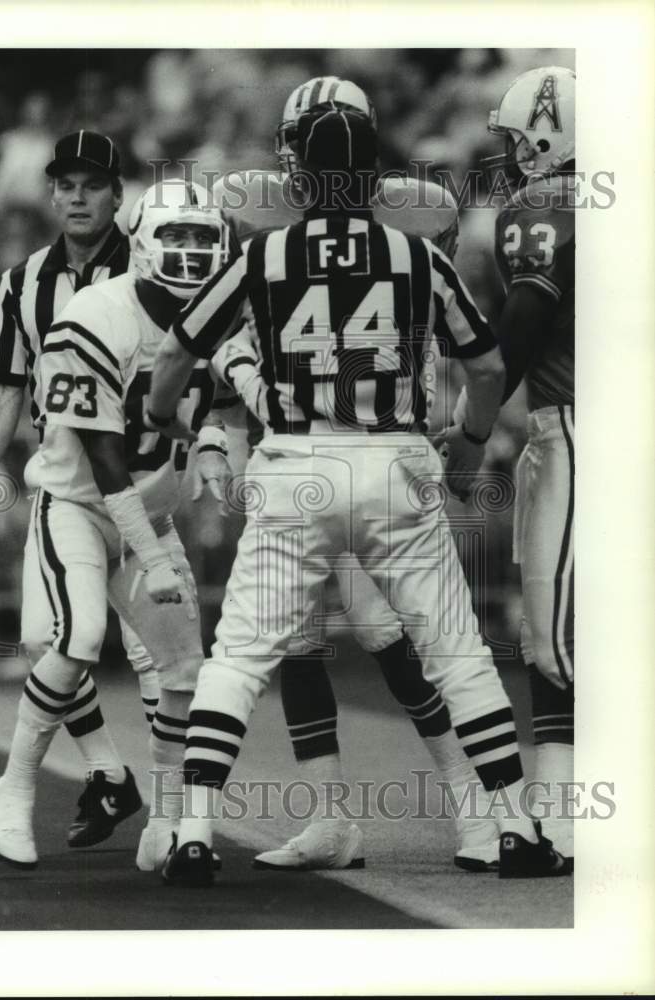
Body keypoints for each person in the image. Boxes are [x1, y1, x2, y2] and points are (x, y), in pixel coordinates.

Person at [146, 102, 570, 887]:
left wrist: (158, 408)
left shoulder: (265, 253)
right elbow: (481, 367)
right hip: (392, 464)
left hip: (295, 466)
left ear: (299, 174)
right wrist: (471, 441)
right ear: (375, 177)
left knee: (238, 655)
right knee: (457, 653)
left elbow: (179, 349)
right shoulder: (415, 257)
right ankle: (512, 824)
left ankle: (194, 830)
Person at [209, 78, 497, 872]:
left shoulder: (395, 219)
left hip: (365, 447)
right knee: (299, 643)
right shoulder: (298, 228)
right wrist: (218, 420)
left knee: (391, 638)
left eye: (299, 139)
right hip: (304, 453)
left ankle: (476, 813)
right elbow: (241, 343)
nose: (286, 154)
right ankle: (332, 819)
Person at [0, 177, 233, 871]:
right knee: (76, 637)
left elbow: (219, 396)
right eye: (174, 237)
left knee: (184, 671)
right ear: (144, 244)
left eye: (201, 238)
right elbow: (103, 456)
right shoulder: (95, 315)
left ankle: (168, 823)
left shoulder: (217, 314)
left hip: (149, 515)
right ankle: (15, 787)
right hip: (80, 508)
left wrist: (211, 439)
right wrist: (152, 559)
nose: (188, 252)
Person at [0, 130, 166, 856]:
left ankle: (169, 816)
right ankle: (108, 775)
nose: (77, 195)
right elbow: (3, 385)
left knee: (159, 664)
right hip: (69, 484)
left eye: (92, 183)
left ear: (119, 193)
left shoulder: (154, 265)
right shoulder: (25, 280)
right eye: (66, 183)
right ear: (51, 192)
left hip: (147, 487)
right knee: (47, 641)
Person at [477, 66, 576, 862]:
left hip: (578, 431)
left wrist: (472, 422)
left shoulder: (544, 204)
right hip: (570, 429)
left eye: (516, 139)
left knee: (560, 636)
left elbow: (522, 319)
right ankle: (553, 808)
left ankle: (564, 815)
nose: (512, 155)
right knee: (550, 632)